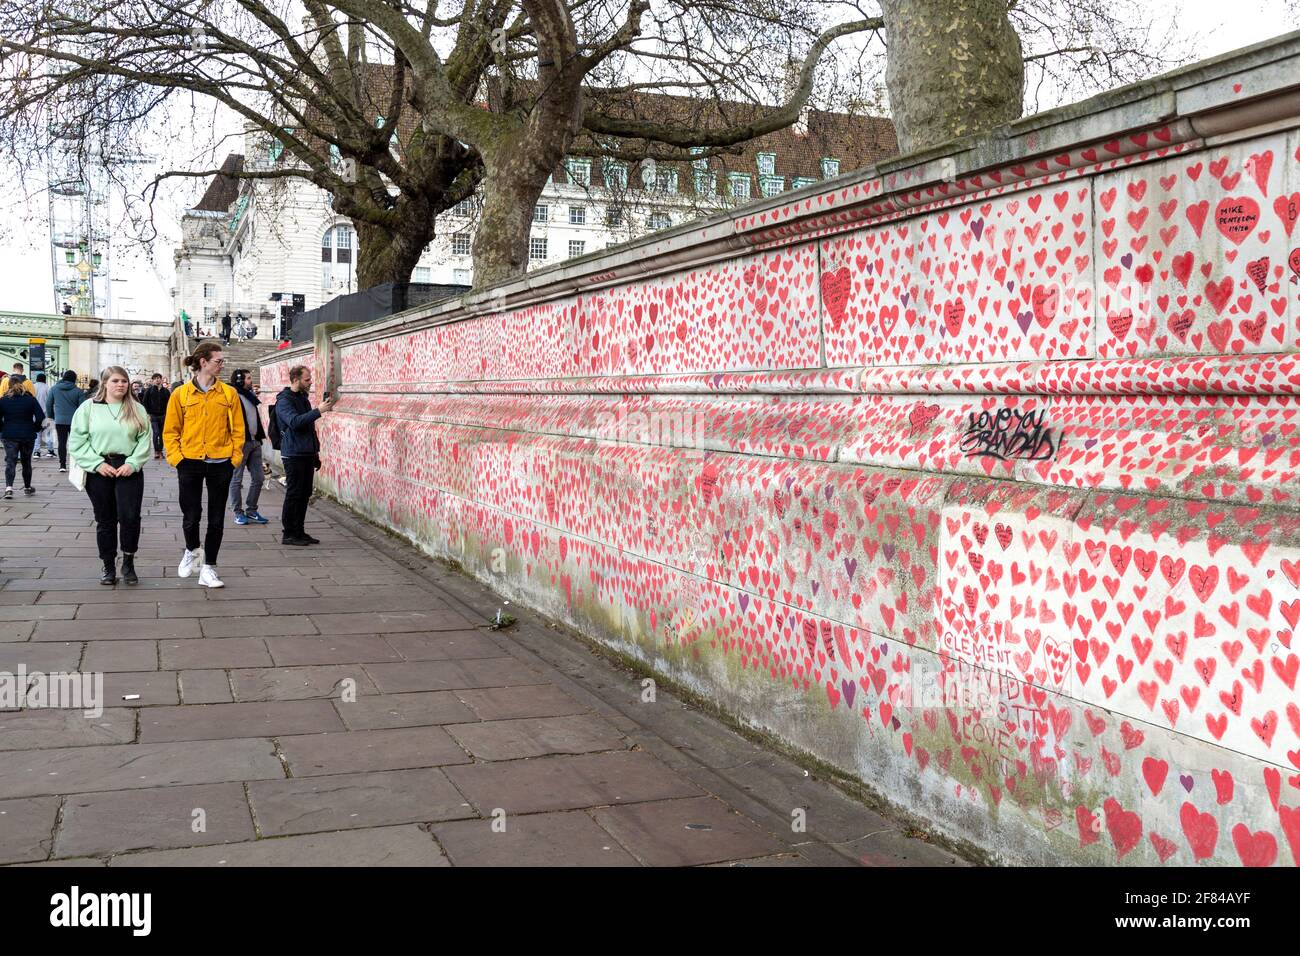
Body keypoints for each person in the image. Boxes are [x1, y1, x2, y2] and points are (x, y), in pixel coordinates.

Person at [163, 342, 244, 588]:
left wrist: (234, 458)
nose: (222, 365)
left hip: (221, 462)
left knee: (217, 518)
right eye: (218, 361)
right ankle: (191, 551)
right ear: (203, 362)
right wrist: (176, 458)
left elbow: (239, 430)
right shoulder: (181, 394)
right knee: (192, 514)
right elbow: (170, 431)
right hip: (189, 461)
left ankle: (208, 568)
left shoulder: (228, 394)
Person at [68, 367, 151, 585]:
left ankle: (128, 562)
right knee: (105, 520)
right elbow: (77, 441)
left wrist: (133, 463)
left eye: (124, 381)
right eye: (115, 381)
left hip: (128, 468)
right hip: (99, 468)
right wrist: (96, 464)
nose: (121, 385)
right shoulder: (88, 408)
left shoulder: (137, 409)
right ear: (105, 383)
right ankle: (107, 565)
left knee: (130, 517)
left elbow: (144, 440)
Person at [274, 364, 334, 546]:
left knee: (304, 493)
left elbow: (309, 428)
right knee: (294, 493)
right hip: (293, 453)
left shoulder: (303, 398)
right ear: (295, 380)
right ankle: (289, 533)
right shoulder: (284, 400)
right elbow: (294, 422)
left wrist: (315, 453)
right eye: (307, 379)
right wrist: (318, 411)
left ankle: (299, 531)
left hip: (306, 452)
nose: (310, 382)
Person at [228, 369, 268, 526]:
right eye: (249, 378)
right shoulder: (234, 396)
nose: (252, 381)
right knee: (236, 479)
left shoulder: (249, 396)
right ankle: (238, 512)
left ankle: (251, 509)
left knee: (259, 478)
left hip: (254, 441)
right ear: (240, 380)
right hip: (240, 443)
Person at [0, 375, 44, 499]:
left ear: (9, 385)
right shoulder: (31, 399)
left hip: (9, 435)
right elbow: (40, 417)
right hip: (27, 435)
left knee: (10, 461)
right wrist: (35, 428)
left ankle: (9, 488)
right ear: (22, 385)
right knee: (26, 462)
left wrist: (2, 428)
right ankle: (27, 487)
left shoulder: (3, 400)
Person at [45, 369, 86, 473]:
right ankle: (75, 464)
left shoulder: (54, 389)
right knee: (76, 443)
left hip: (60, 420)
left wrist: (51, 416)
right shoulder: (79, 391)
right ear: (74, 379)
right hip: (75, 421)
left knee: (61, 442)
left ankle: (62, 465)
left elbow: (48, 404)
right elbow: (83, 408)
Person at [141, 373, 170, 461]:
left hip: (163, 415)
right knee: (156, 433)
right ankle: (156, 452)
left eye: (159, 378)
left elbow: (169, 403)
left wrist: (168, 414)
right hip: (153, 415)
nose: (157, 380)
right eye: (155, 378)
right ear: (153, 380)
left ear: (161, 380)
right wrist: (147, 414)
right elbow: (145, 403)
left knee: (161, 434)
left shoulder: (166, 391)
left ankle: (160, 451)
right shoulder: (149, 391)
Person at [32, 373, 54, 459]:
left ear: (37, 379)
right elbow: (50, 401)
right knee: (48, 433)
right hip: (46, 413)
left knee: (37, 433)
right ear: (44, 379)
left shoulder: (33, 387)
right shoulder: (48, 388)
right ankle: (50, 450)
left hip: (35, 414)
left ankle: (36, 451)